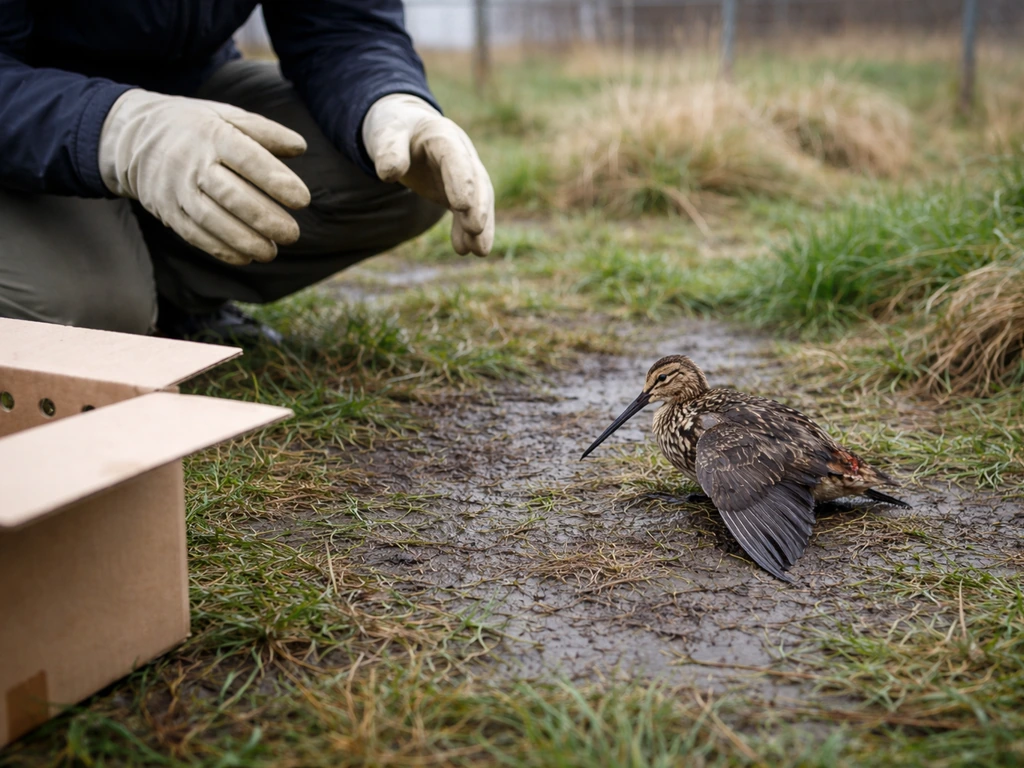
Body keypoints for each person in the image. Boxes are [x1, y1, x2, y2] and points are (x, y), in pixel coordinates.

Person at [0, 1, 494, 345]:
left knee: (399, 176)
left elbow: (341, 24)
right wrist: (117, 128)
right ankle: (104, 281)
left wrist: (387, 102)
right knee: (84, 319)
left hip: (186, 88)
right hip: (22, 127)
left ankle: (171, 298)